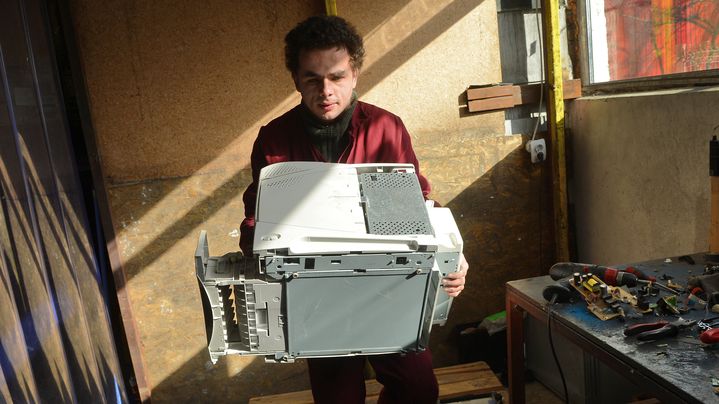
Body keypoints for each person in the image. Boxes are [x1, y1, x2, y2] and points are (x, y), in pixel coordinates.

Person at [240, 15, 469, 403]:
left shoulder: (386, 128)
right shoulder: (275, 138)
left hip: (388, 287)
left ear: (355, 74)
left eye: (337, 76)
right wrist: (261, 256)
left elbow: (418, 205)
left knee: (417, 388)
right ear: (296, 79)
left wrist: (453, 256)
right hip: (315, 294)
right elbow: (256, 219)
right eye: (312, 78)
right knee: (337, 398)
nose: (326, 90)